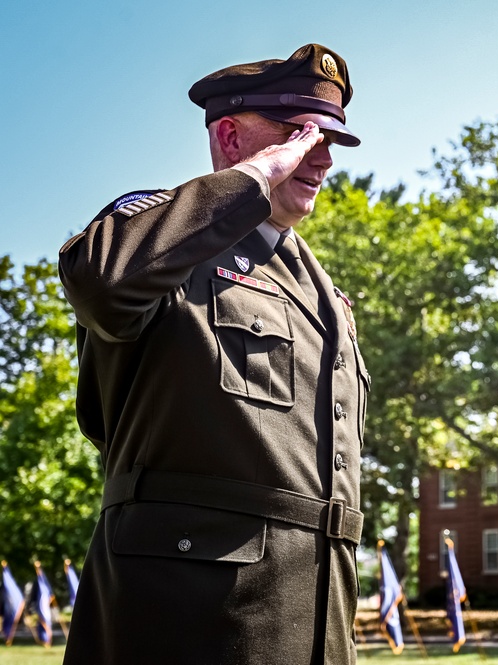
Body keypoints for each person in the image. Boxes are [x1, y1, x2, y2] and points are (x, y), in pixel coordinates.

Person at [59, 44, 369, 665]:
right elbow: (105, 283)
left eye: (330, 139)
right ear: (230, 135)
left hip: (314, 615)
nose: (322, 156)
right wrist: (257, 177)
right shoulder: (160, 237)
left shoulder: (326, 292)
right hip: (188, 613)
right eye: (299, 133)